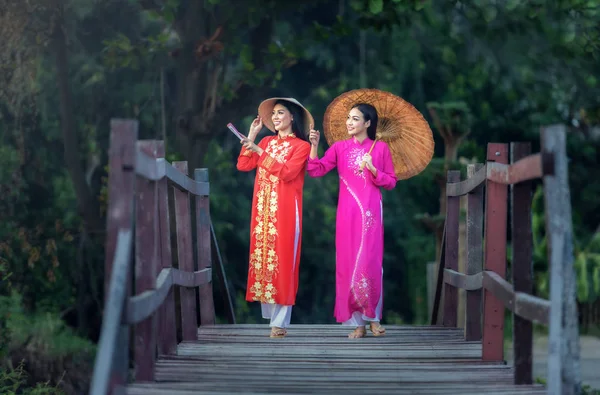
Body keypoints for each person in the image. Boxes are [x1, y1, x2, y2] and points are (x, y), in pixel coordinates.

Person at [306, 102, 397, 338]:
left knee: (371, 262)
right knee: (348, 262)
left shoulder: (380, 149)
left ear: (368, 123)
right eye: (348, 118)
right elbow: (316, 169)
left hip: (370, 214)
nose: (349, 122)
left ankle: (373, 318)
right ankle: (358, 324)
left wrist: (374, 170)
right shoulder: (339, 148)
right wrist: (314, 147)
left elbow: (391, 182)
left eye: (355, 119)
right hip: (346, 214)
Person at [236, 97, 313, 338]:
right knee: (264, 261)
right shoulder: (266, 140)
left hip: (287, 211)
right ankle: (272, 319)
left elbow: (288, 173)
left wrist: (259, 150)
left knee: (284, 262)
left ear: (293, 117)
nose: (276, 117)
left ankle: (280, 324)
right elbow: (243, 165)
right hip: (263, 212)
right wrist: (252, 134)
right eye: (274, 114)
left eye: (281, 113)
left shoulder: (301, 146)